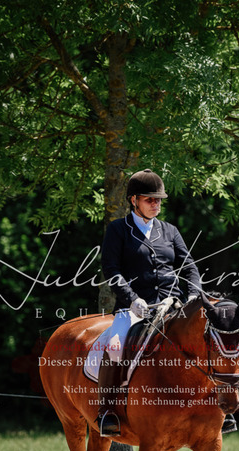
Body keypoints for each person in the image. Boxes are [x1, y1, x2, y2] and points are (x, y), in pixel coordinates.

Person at [97, 168, 201, 436]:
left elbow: (189, 266)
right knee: (115, 346)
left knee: (204, 339)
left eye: (159, 200)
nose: (156, 204)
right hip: (134, 307)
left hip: (172, 305)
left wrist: (193, 294)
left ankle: (217, 408)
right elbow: (111, 269)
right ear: (134, 200)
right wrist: (132, 299)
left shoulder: (170, 231)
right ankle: (107, 410)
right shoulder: (118, 230)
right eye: (150, 200)